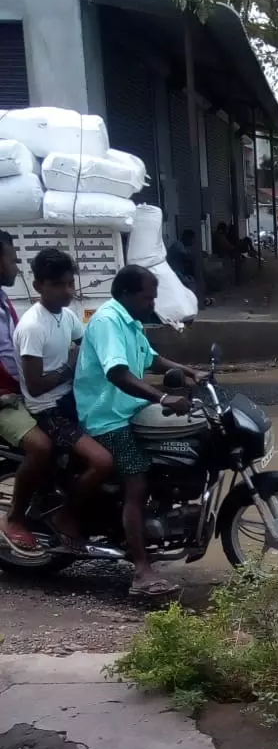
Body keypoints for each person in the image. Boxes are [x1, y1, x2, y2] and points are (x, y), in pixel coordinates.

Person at [74, 265, 197, 596]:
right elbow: (118, 373)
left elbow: (152, 359)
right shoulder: (107, 322)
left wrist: (189, 372)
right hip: (106, 417)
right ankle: (141, 572)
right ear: (127, 294)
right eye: (147, 296)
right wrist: (163, 397)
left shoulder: (130, 322)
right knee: (137, 480)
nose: (152, 302)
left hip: (129, 410)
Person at [14, 248, 113, 540]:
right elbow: (35, 385)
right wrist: (70, 367)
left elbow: (87, 347)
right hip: (48, 410)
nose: (67, 291)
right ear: (39, 286)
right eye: (58, 285)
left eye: (70, 283)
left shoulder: (67, 316)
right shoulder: (33, 326)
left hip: (72, 400)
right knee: (102, 461)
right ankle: (65, 512)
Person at [0, 231, 55, 555]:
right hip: (3, 399)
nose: (17, 266)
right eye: (11, 258)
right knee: (40, 446)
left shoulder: (4, 301)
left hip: (19, 391)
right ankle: (15, 518)